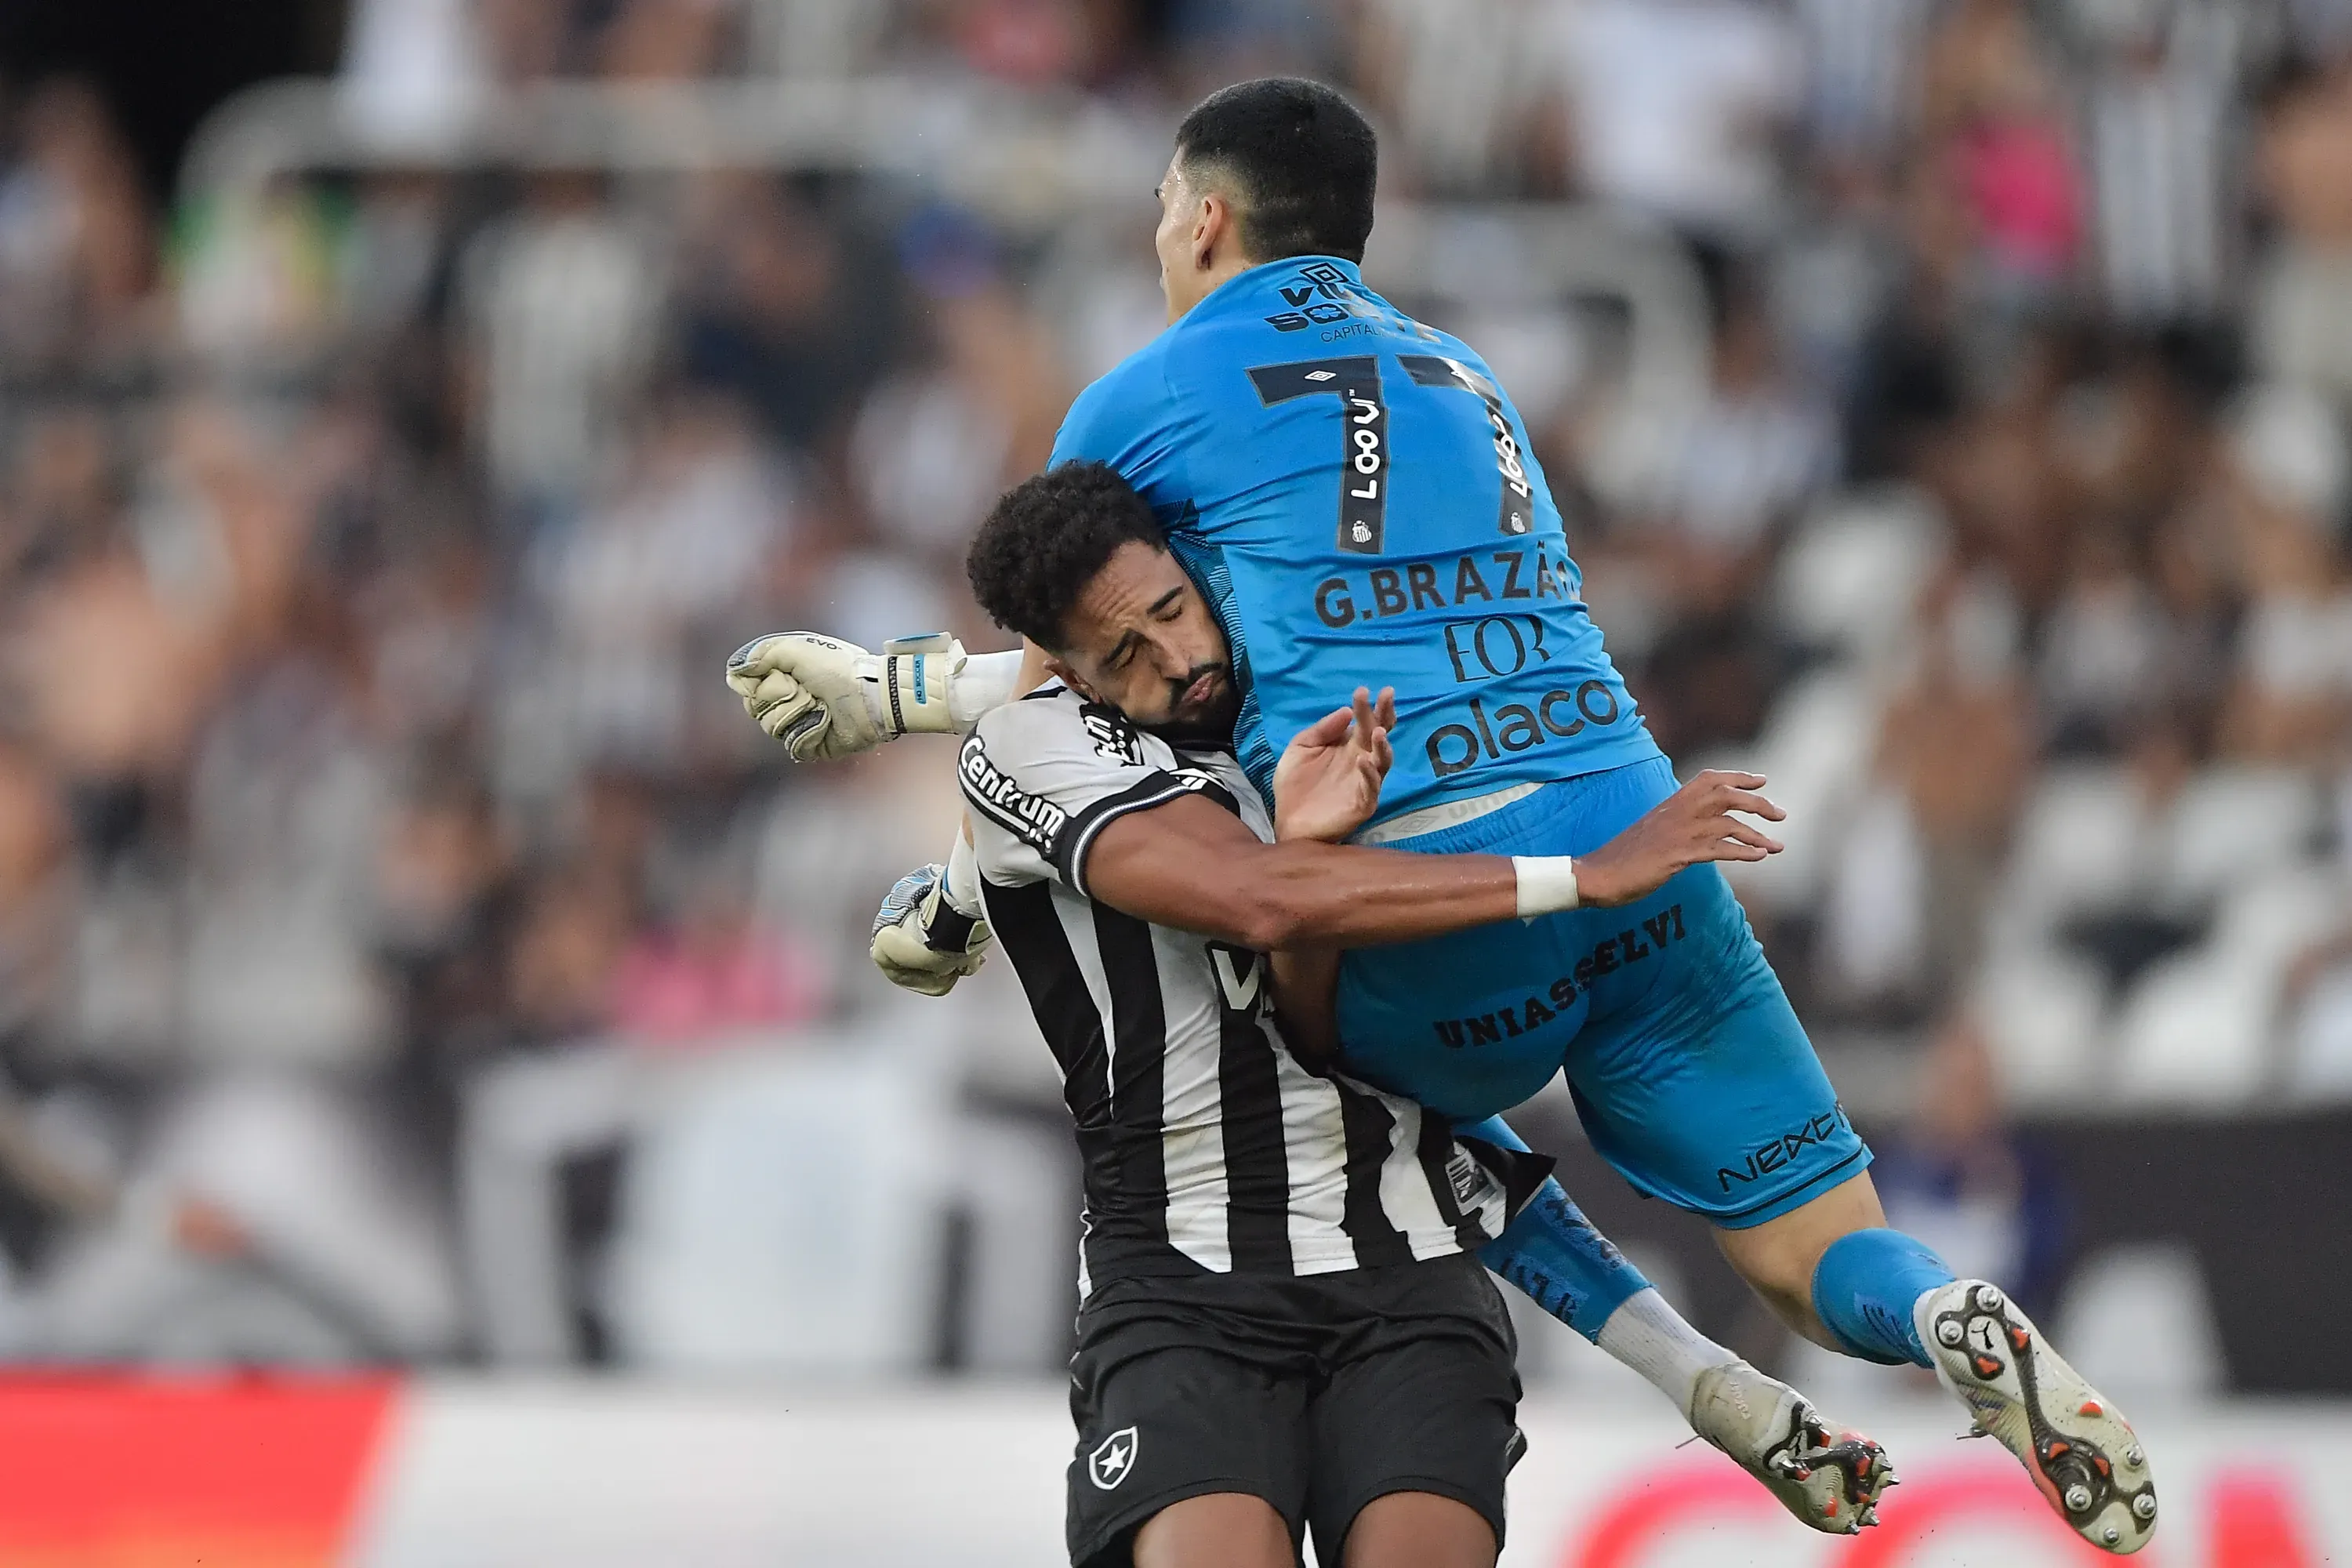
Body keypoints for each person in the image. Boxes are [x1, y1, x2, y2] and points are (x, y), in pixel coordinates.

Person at [727, 79, 2155, 1553]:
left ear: (1204, 217)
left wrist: (930, 826)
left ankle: (1708, 1385)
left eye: (1163, 203)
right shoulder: (1463, 373)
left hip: (1435, 852)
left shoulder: (1141, 397)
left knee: (1374, 1114)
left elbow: (1070, 668)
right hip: (1634, 809)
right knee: (1818, 1253)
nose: (1158, 230)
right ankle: (1935, 1312)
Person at [931, 462, 1887, 1567]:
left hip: (1406, 1276)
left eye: (1172, 612)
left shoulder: (1313, 704)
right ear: (1068, 673)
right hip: (1186, 1287)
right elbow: (1261, 898)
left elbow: (1325, 1033)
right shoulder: (1033, 744)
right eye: (1126, 659)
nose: (1180, 663)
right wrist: (1581, 872)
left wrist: (1317, 848)